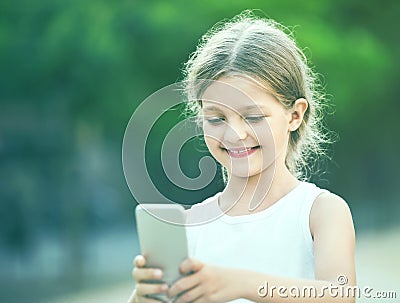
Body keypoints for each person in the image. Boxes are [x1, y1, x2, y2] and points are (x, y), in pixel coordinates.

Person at [129, 11, 356, 303]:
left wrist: (241, 284)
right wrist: (142, 296)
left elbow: (341, 295)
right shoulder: (190, 226)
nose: (234, 134)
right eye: (216, 119)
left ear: (295, 115)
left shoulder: (319, 212)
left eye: (253, 116)